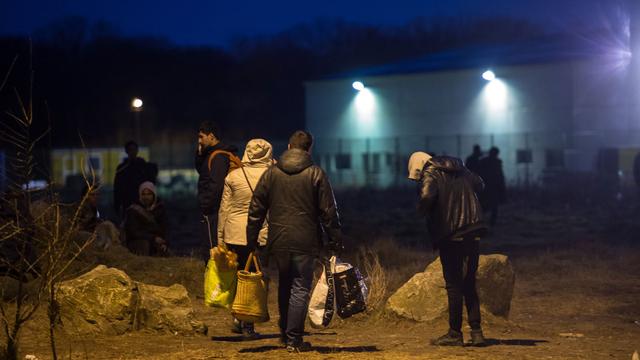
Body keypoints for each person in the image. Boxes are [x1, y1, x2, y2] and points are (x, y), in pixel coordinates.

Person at [246, 130, 342, 353]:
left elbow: (256, 208)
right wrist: (335, 239)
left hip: (278, 238)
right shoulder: (316, 173)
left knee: (285, 285)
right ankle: (294, 339)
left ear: (289, 147)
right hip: (305, 239)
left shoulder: (271, 173)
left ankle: (284, 333)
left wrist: (251, 239)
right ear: (309, 149)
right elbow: (329, 211)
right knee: (300, 287)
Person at [408, 151, 487, 347]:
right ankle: (477, 333)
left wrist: (421, 211)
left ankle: (455, 333)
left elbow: (426, 196)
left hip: (450, 234)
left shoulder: (431, 173)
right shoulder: (460, 169)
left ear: (419, 166)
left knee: (453, 285)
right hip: (473, 230)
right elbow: (480, 184)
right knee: (469, 282)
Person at [218, 139, 272, 339]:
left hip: (235, 233)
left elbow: (224, 210)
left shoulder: (233, 176)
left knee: (238, 275)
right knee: (254, 278)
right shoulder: (271, 176)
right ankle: (248, 324)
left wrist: (220, 240)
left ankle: (237, 316)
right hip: (259, 234)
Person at [195, 121, 238, 261]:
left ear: (211, 136)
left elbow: (216, 186)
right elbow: (203, 173)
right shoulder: (212, 154)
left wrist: (205, 206)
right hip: (215, 211)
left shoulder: (218, 157)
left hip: (214, 213)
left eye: (201, 137)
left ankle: (215, 282)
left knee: (212, 253)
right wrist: (200, 154)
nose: (199, 141)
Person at [123, 181, 168, 256]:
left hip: (156, 242)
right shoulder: (133, 210)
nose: (146, 197)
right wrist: (153, 238)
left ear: (153, 195)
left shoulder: (160, 209)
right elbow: (133, 232)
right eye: (144, 194)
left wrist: (164, 242)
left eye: (149, 194)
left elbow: (165, 228)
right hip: (140, 242)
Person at [114, 141, 149, 219]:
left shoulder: (142, 166)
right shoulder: (122, 168)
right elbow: (117, 188)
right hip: (127, 202)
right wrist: (117, 205)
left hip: (141, 201)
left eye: (134, 149)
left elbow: (149, 183)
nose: (132, 152)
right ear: (127, 151)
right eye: (130, 150)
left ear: (137, 151)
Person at [77, 185, 120, 250]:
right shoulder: (81, 208)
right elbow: (82, 225)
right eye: (92, 195)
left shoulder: (93, 208)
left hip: (93, 233)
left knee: (107, 229)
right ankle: (115, 244)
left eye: (97, 194)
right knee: (107, 225)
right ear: (85, 196)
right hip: (84, 235)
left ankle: (115, 245)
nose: (96, 197)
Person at [477, 147, 506, 226]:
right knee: (493, 205)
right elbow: (500, 176)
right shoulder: (497, 162)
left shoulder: (483, 161)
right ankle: (491, 222)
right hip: (493, 187)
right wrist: (502, 187)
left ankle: (480, 220)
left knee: (486, 205)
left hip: (486, 186)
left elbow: (479, 173)